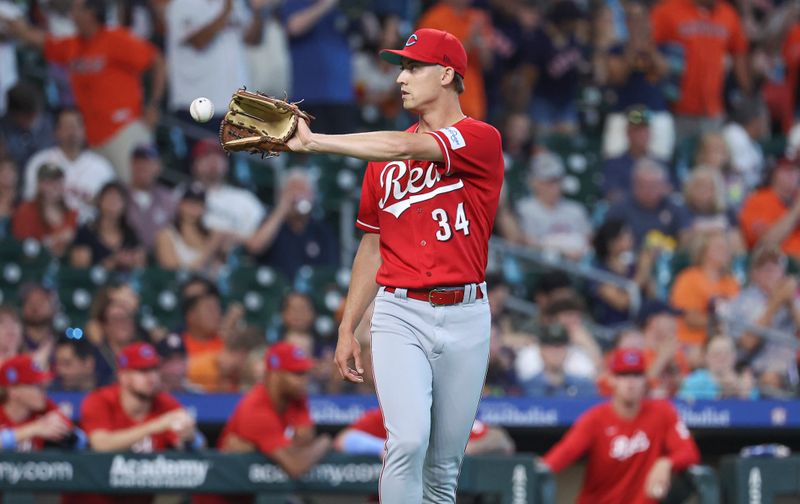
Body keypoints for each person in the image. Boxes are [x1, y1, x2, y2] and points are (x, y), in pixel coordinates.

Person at [287, 28, 504, 502]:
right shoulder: (380, 156)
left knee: (444, 468)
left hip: (467, 314)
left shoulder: (480, 138)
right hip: (400, 313)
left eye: (414, 67)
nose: (402, 78)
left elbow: (404, 148)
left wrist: (314, 142)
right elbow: (372, 243)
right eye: (401, 68)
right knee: (407, 442)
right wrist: (348, 326)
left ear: (447, 74)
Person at [2, 0, 167, 182]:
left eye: (77, 9)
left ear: (91, 13)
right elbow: (44, 42)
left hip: (122, 130)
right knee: (104, 196)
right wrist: (17, 28)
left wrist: (154, 105)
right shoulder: (74, 45)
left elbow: (157, 60)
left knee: (130, 189)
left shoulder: (117, 39)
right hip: (90, 137)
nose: (72, 14)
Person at [540, 348, 701, 504]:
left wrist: (666, 463)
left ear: (645, 380)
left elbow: (689, 452)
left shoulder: (663, 412)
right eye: (623, 375)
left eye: (636, 375)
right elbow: (565, 453)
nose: (630, 382)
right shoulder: (595, 418)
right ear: (612, 379)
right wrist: (537, 469)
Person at [191, 342, 331, 504]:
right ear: (275, 375)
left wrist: (260, 449)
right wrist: (325, 442)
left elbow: (305, 439)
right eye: (298, 374)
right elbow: (295, 466)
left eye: (306, 373)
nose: (305, 380)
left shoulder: (297, 397)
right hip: (218, 498)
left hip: (250, 493)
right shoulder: (255, 407)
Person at [74, 342, 202, 504]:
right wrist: (155, 426)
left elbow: (196, 447)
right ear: (124, 376)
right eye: (142, 371)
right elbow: (101, 444)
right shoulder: (99, 400)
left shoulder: (165, 403)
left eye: (154, 369)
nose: (152, 377)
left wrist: (190, 437)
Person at [22, 108, 116, 222]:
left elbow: (113, 208)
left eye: (77, 126)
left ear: (84, 130)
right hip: (49, 230)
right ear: (56, 132)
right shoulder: (39, 161)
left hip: (91, 231)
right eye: (67, 127)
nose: (73, 132)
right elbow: (29, 203)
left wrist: (96, 202)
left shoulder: (102, 167)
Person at [335, 407, 515, 457]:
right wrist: (387, 448)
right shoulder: (390, 414)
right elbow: (343, 440)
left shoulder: (448, 418)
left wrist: (465, 449)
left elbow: (503, 441)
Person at [0, 354, 84, 452]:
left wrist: (67, 433)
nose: (43, 392)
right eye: (36, 386)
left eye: (43, 386)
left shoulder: (46, 407)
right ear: (13, 391)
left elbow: (82, 439)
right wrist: (33, 429)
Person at [69, 181, 146, 270]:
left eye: (118, 199)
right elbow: (79, 268)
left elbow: (141, 264)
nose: (113, 202)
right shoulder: (86, 232)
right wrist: (110, 263)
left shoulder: (130, 233)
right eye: (109, 197)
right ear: (99, 201)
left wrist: (132, 261)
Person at [155, 184, 226, 277]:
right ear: (180, 205)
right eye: (189, 204)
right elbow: (174, 273)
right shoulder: (166, 235)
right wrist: (211, 247)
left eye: (198, 205)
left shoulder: (211, 233)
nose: (193, 209)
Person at [11, 163, 78, 257]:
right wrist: (53, 239)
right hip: (36, 263)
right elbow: (21, 246)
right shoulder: (26, 210)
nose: (54, 186)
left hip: (64, 263)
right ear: (39, 184)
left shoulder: (71, 212)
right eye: (48, 182)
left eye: (58, 182)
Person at [520, 323, 598, 397]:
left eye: (560, 346)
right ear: (541, 351)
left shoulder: (583, 387)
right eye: (550, 346)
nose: (555, 352)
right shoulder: (526, 387)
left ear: (568, 351)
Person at [125, 144, 178, 249]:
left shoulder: (169, 199)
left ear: (158, 167)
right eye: (138, 161)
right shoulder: (118, 193)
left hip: (160, 261)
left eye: (148, 162)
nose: (142, 166)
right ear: (131, 165)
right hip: (125, 260)